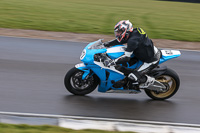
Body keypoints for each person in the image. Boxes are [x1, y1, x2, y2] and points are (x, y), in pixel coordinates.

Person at [103, 20, 161, 88]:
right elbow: (122, 40)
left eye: (119, 32)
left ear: (126, 31)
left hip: (151, 60)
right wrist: (106, 44)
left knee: (132, 77)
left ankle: (148, 81)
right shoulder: (133, 33)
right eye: (117, 32)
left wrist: (112, 62)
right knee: (124, 66)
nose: (118, 34)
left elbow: (126, 58)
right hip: (145, 52)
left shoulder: (133, 41)